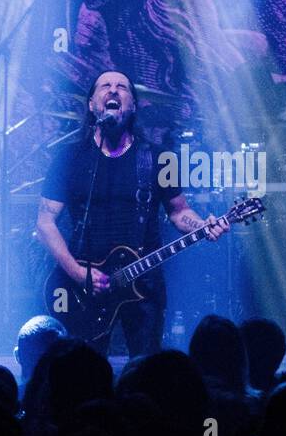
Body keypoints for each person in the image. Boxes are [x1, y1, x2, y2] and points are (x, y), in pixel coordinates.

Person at [36, 70, 229, 356]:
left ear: (133, 105)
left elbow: (179, 212)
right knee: (82, 373)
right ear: (91, 104)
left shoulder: (160, 158)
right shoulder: (69, 157)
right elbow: (44, 223)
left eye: (122, 87)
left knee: (147, 369)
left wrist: (202, 225)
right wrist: (76, 271)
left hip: (143, 281)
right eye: (105, 86)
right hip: (83, 285)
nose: (113, 91)